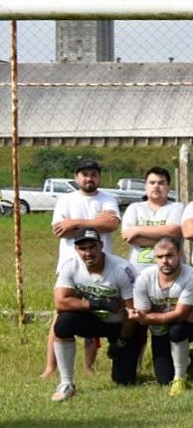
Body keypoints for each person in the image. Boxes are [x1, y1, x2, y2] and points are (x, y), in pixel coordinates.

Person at [43, 158, 119, 379]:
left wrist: (76, 223)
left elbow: (111, 224)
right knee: (62, 313)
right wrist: (94, 221)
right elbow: (61, 231)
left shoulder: (108, 198)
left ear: (99, 177)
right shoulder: (66, 199)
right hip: (69, 264)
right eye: (85, 174)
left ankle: (88, 367)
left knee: (95, 311)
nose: (89, 178)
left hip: (101, 265)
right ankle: (50, 367)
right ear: (77, 177)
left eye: (93, 174)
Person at [49, 229, 139, 401]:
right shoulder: (71, 265)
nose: (88, 253)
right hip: (93, 318)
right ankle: (66, 382)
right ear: (76, 250)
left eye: (92, 247)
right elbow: (60, 301)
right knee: (63, 323)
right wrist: (98, 303)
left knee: (124, 380)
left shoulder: (121, 268)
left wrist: (121, 341)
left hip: (121, 323)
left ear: (101, 246)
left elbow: (133, 311)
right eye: (83, 248)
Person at [129, 236, 193, 394]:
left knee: (177, 330)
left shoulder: (191, 275)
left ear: (179, 254)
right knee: (163, 379)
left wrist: (150, 317)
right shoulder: (144, 278)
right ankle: (188, 360)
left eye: (169, 256)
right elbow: (143, 315)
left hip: (185, 325)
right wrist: (174, 314)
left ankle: (180, 378)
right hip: (159, 329)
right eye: (160, 257)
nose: (164, 261)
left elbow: (181, 314)